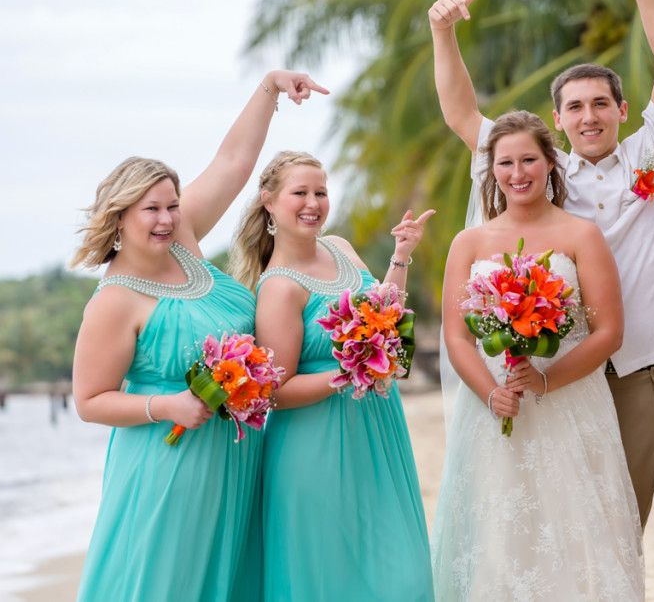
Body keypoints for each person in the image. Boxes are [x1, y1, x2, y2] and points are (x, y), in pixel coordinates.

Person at [429, 0, 654, 601]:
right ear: (558, 117)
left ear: (623, 109)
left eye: (601, 102)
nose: (589, 115)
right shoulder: (537, 172)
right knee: (611, 536)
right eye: (575, 106)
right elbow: (462, 114)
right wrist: (444, 32)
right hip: (594, 380)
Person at [71, 71, 328, 601]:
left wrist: (270, 89)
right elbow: (89, 401)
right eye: (152, 209)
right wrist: (169, 406)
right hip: (170, 466)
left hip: (235, 458)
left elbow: (234, 163)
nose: (167, 219)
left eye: (171, 204)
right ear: (119, 218)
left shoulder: (183, 240)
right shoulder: (115, 300)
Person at [431, 110, 643, 600]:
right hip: (493, 410)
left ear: (551, 162)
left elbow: (608, 331)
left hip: (570, 402)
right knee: (501, 535)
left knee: (579, 528)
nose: (518, 172)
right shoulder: (470, 242)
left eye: (529, 159)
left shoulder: (580, 235)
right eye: (505, 162)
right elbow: (457, 336)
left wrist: (545, 380)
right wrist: (490, 394)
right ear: (492, 170)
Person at [230, 151, 435, 601]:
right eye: (299, 193)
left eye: (320, 192)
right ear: (268, 201)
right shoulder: (278, 286)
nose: (313, 203)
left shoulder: (340, 247)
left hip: (377, 430)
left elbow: (386, 313)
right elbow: (275, 391)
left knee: (405, 578)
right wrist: (348, 373)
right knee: (332, 580)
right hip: (316, 445)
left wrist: (401, 257)